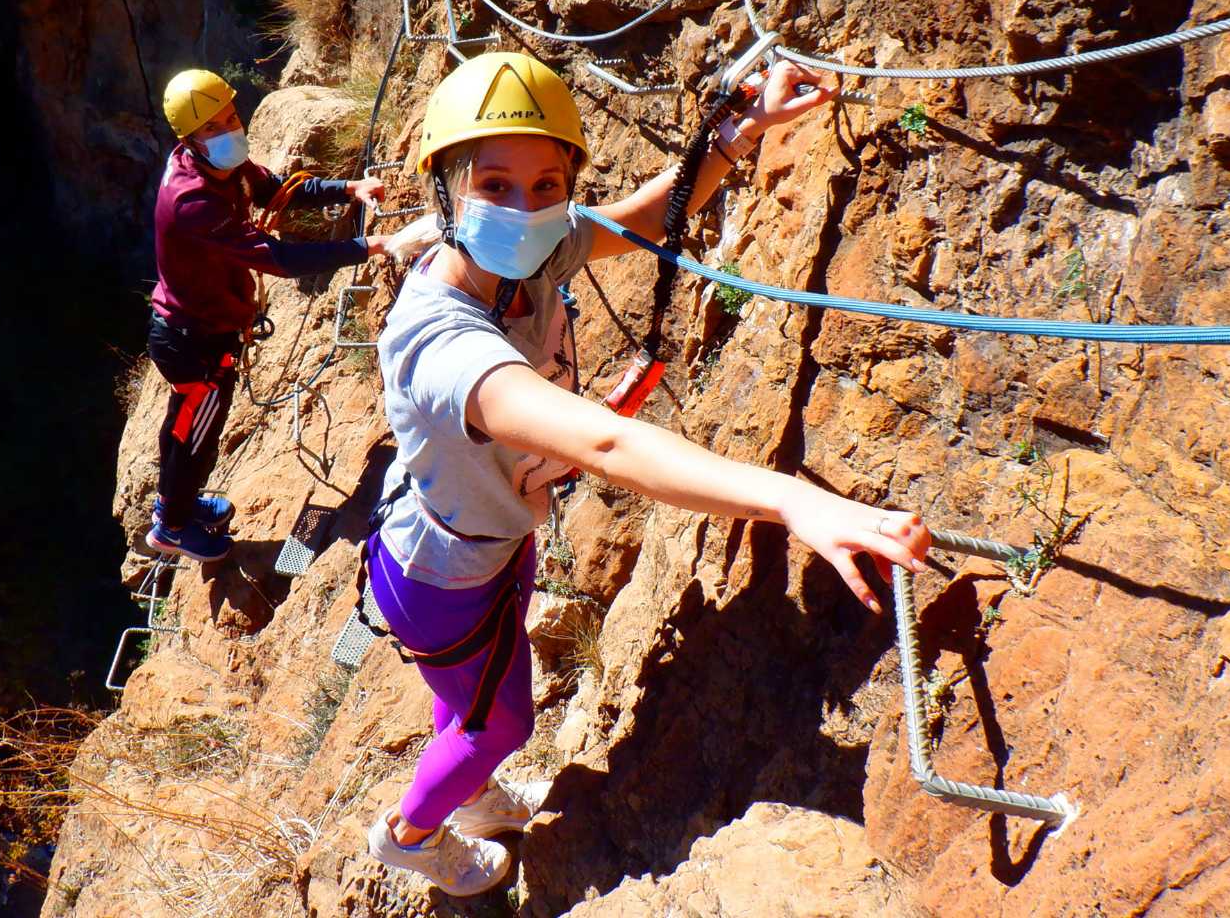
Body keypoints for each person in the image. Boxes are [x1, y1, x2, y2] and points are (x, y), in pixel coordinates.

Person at [362, 52, 934, 896]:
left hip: (471, 545)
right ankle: (411, 834)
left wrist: (738, 136)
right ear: (445, 190)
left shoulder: (529, 257)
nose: (525, 207)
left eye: (546, 182)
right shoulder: (439, 342)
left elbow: (644, 216)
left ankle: (471, 795)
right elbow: (608, 447)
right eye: (494, 185)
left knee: (473, 699)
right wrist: (788, 499)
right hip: (442, 569)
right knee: (501, 722)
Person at [146, 68, 393, 562]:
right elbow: (281, 260)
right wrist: (367, 247)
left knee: (186, 427)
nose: (229, 130)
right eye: (214, 126)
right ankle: (173, 527)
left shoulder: (223, 169)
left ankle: (176, 506)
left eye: (230, 117)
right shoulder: (192, 200)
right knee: (197, 438)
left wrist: (348, 188)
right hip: (194, 343)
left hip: (199, 331)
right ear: (191, 140)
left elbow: (274, 190)